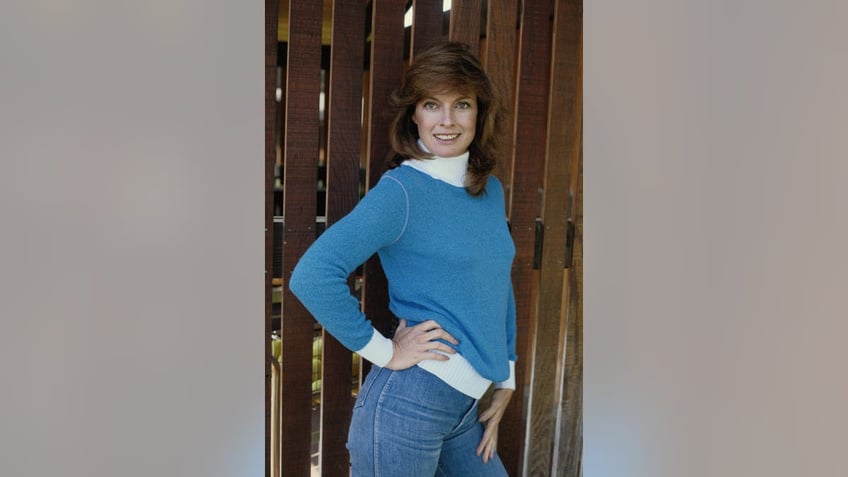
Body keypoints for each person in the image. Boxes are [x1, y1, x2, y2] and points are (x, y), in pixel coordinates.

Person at [290, 40, 516, 477]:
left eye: (462, 104)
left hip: (464, 412)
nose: (447, 120)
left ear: (479, 112)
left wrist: (505, 378)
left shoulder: (489, 190)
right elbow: (313, 275)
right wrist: (386, 352)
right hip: (405, 411)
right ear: (414, 114)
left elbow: (497, 285)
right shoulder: (402, 192)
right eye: (432, 104)